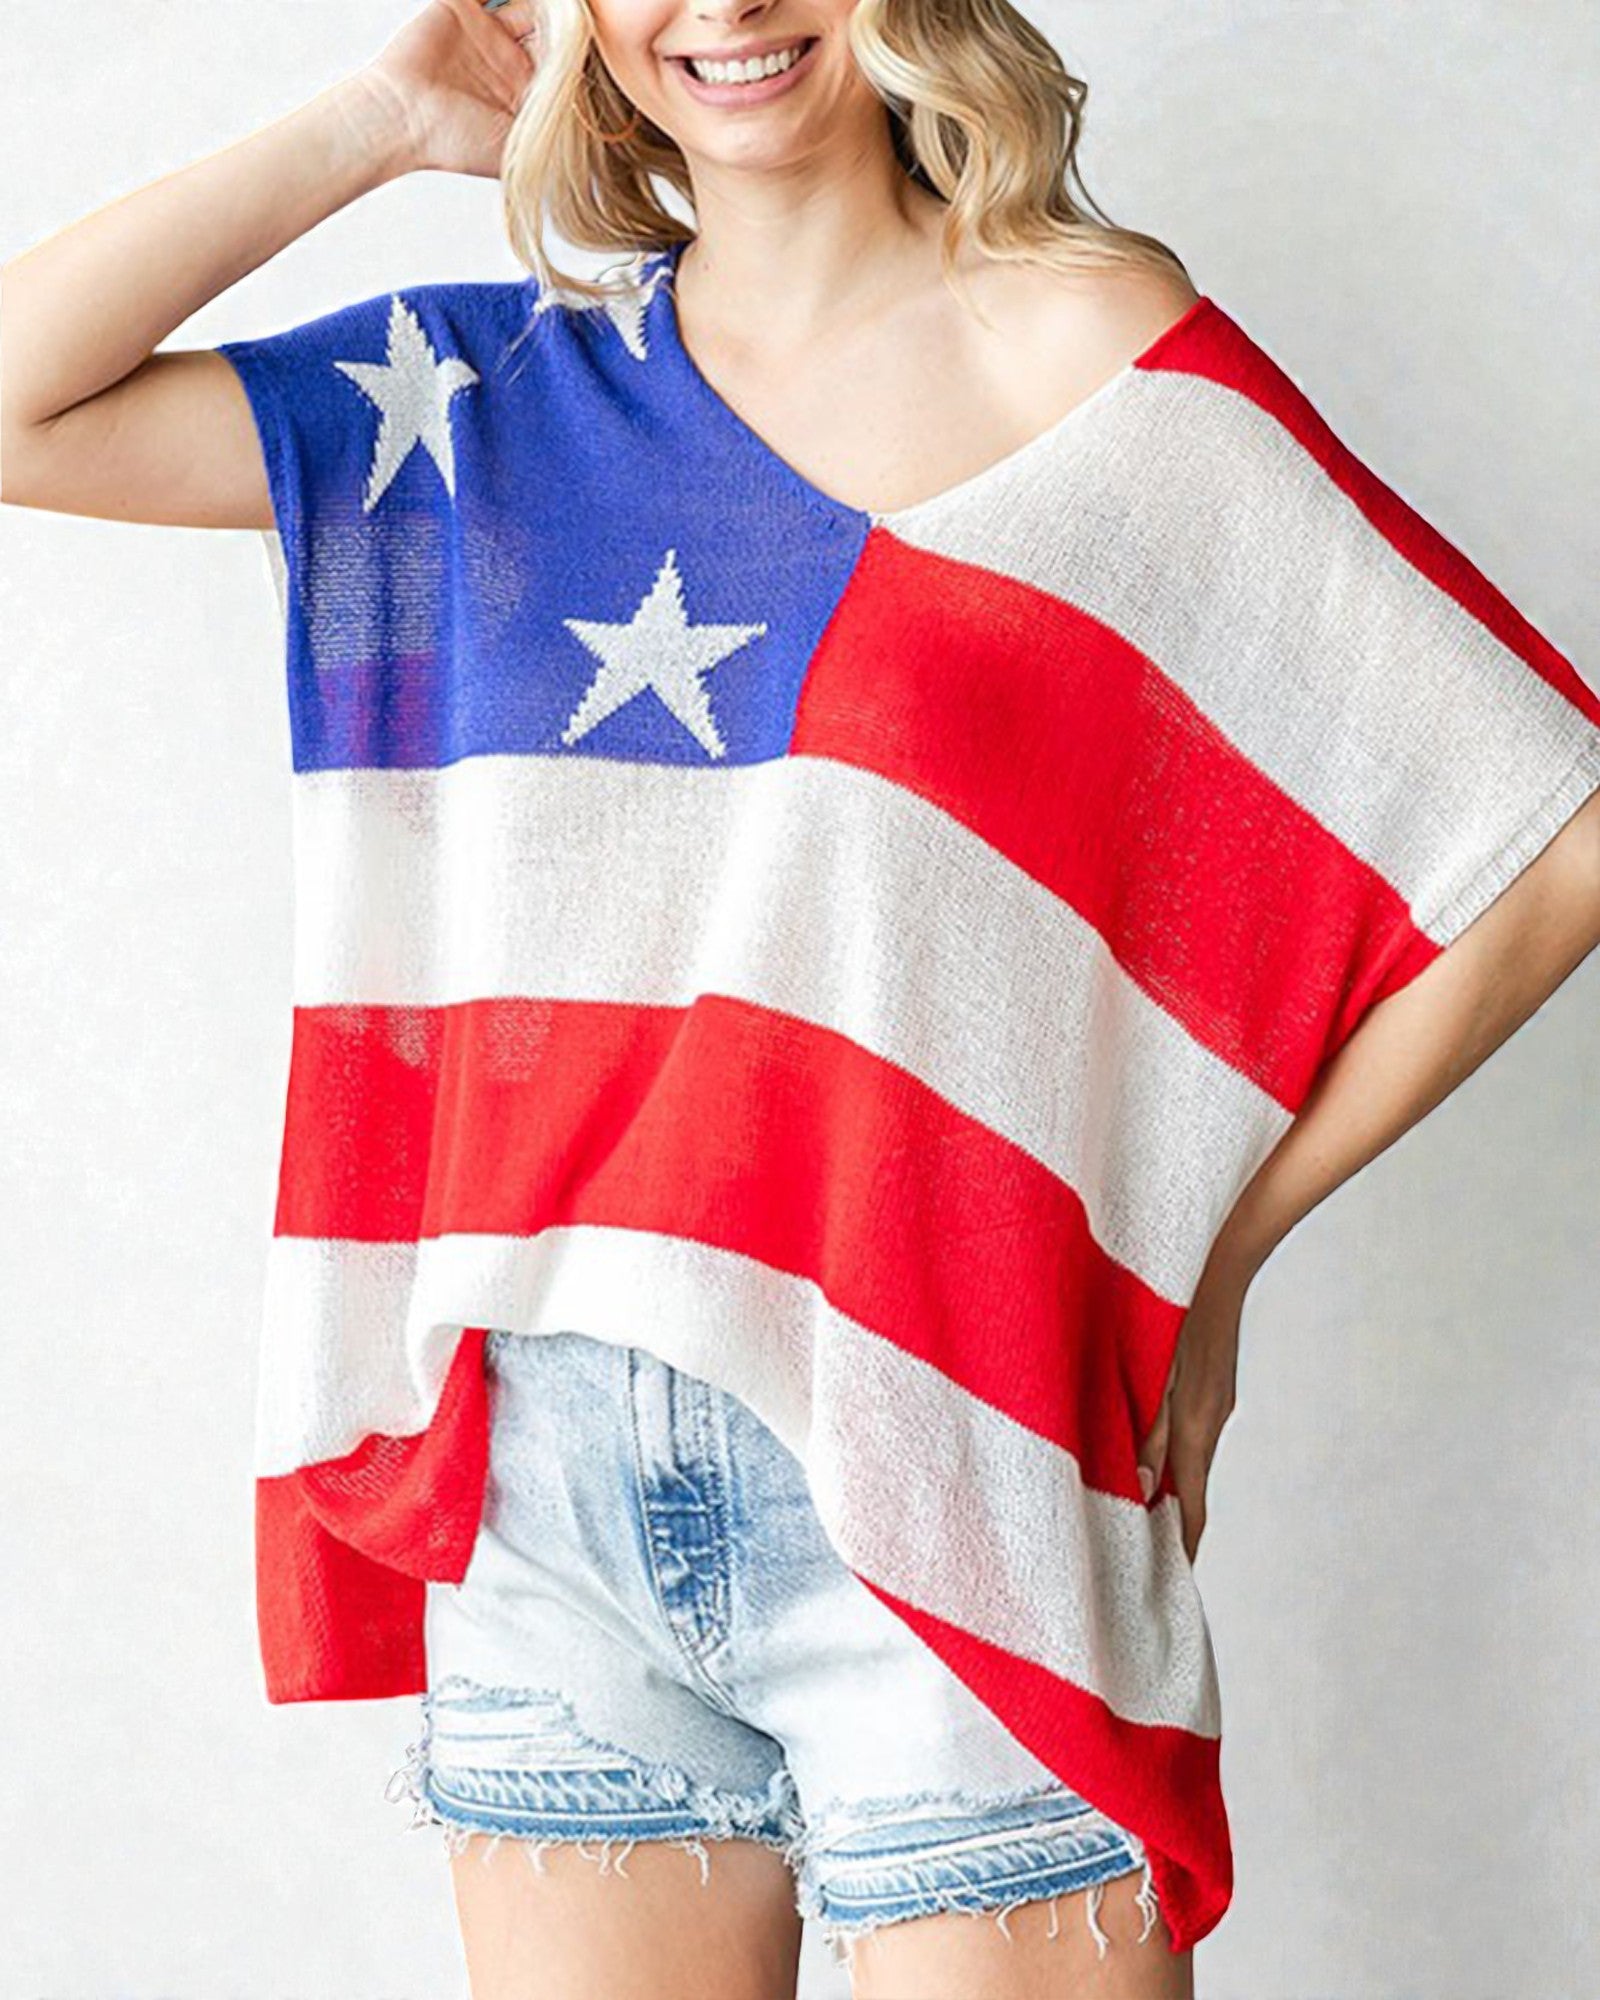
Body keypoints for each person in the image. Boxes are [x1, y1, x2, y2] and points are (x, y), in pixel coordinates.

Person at [5, 0, 1599, 1995]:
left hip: (950, 1426)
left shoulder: (1087, 356)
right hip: (552, 1495)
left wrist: (1215, 1256)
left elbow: (1546, 841)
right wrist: (381, 118)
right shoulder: (489, 398)